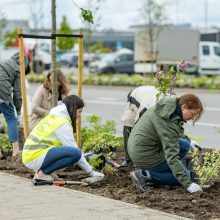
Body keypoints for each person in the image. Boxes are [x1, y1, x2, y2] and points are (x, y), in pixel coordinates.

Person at [128, 94, 204, 193]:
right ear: (184, 107)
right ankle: (144, 174)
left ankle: (159, 173)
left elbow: (174, 132)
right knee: (185, 177)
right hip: (144, 156)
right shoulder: (167, 120)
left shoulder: (168, 109)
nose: (193, 118)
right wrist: (188, 183)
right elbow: (172, 157)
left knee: (184, 144)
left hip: (140, 149)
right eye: (193, 114)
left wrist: (189, 141)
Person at [22, 95, 104, 181]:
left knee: (74, 152)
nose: (80, 115)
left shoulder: (55, 116)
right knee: (75, 154)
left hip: (30, 155)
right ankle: (43, 173)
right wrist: (91, 172)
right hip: (34, 157)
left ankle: (43, 172)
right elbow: (75, 151)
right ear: (72, 109)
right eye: (79, 111)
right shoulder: (62, 123)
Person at [0, 52, 30, 157]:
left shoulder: (4, 62)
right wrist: (18, 111)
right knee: (11, 119)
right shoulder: (18, 69)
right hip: (2, 91)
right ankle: (16, 151)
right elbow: (17, 93)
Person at [120, 86, 158, 167]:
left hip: (150, 97)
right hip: (136, 96)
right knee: (128, 123)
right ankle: (128, 160)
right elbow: (138, 130)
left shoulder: (169, 105)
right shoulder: (144, 110)